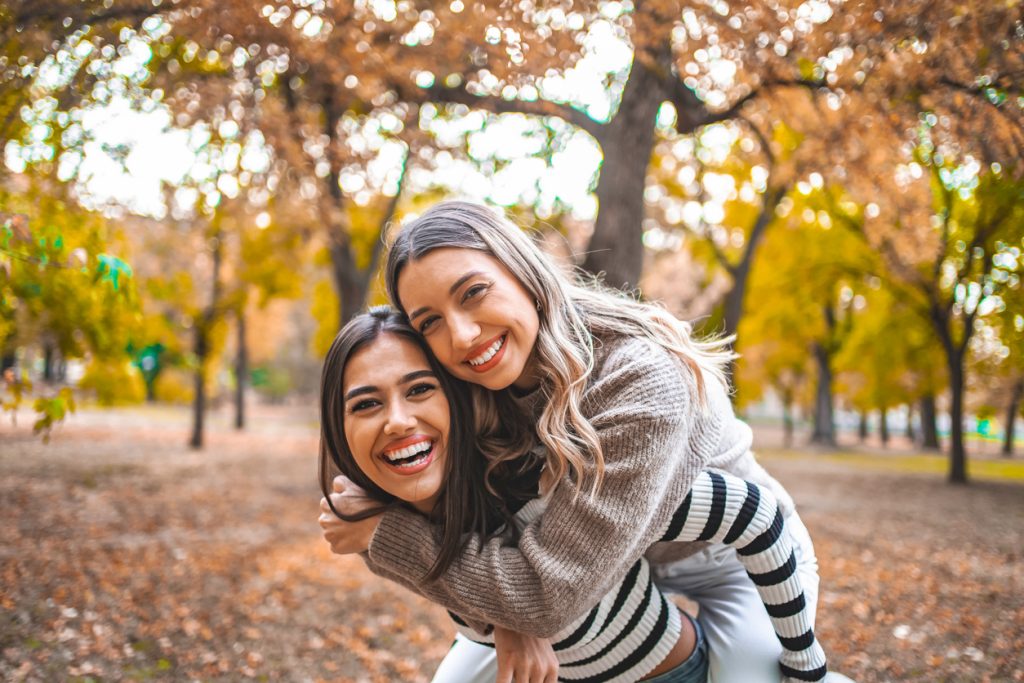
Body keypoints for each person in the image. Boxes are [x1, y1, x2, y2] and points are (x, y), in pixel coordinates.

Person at [321, 201, 827, 683]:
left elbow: (547, 597)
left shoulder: (641, 380)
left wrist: (384, 536)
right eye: (429, 321)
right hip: (603, 563)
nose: (463, 335)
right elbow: (461, 520)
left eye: (473, 292)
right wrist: (505, 621)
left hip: (733, 560)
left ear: (523, 272)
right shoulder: (472, 385)